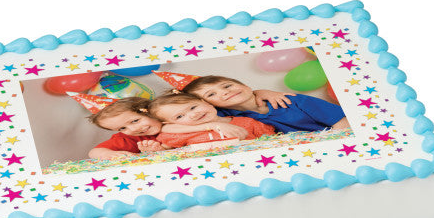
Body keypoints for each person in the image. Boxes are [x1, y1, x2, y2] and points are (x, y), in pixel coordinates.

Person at [182, 75, 350, 133]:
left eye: (227, 86)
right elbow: (170, 127)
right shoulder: (225, 118)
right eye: (211, 94)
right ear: (208, 104)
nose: (225, 92)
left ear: (245, 86)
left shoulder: (293, 100)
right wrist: (212, 125)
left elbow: (342, 122)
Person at [149, 92, 274, 148]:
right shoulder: (180, 134)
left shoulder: (247, 122)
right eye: (180, 116)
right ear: (171, 123)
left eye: (193, 107)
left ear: (205, 102)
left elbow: (273, 140)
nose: (193, 114)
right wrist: (155, 150)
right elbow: (168, 150)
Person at [87, 97, 167, 160]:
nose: (133, 129)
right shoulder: (131, 138)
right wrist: (106, 154)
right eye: (122, 128)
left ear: (149, 111)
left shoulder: (173, 119)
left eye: (135, 121)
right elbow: (94, 152)